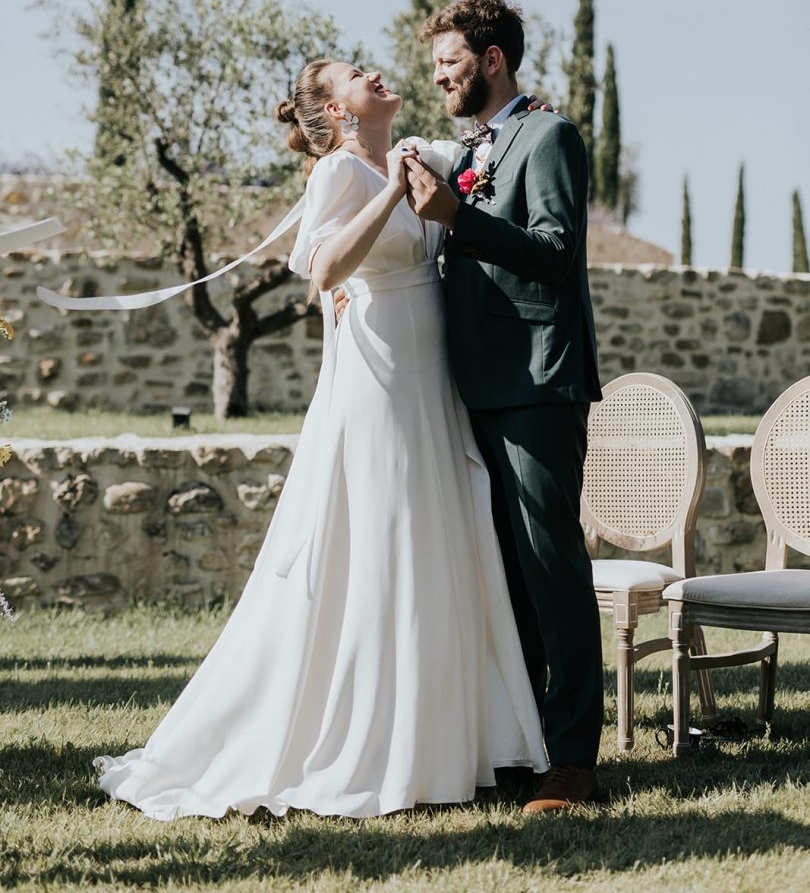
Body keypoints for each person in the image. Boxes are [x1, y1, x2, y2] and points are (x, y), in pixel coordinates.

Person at [92, 58, 547, 820]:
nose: (377, 70)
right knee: (387, 533)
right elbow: (324, 266)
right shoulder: (339, 172)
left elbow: (476, 159)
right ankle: (376, 745)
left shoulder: (416, 154)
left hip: (432, 372)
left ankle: (449, 738)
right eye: (356, 74)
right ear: (336, 111)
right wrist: (394, 197)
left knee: (441, 532)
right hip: (383, 373)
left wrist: (426, 171)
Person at [402, 0, 604, 814]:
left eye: (451, 61)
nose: (440, 76)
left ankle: (576, 762)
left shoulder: (549, 136)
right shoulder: (472, 148)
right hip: (474, 386)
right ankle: (522, 745)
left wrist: (458, 215)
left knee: (552, 571)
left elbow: (556, 255)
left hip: (536, 382)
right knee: (506, 581)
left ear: (492, 60)